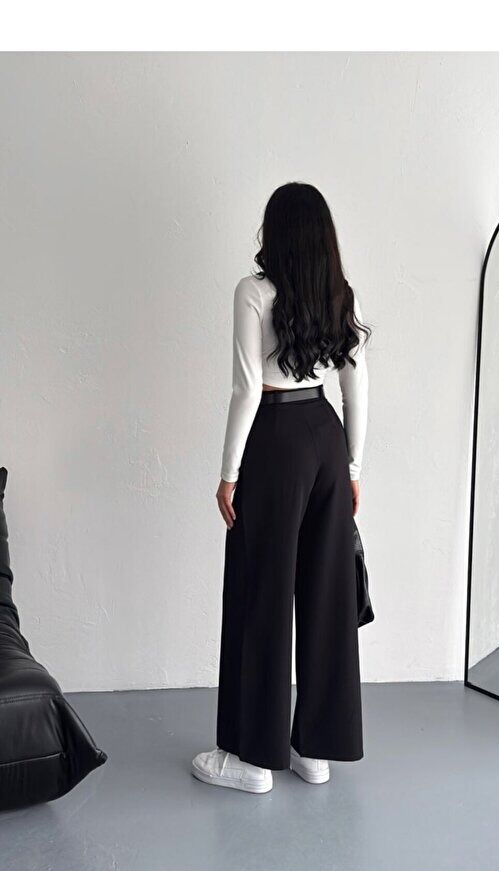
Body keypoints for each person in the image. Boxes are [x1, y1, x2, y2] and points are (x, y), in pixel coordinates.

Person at [192, 182, 370, 793]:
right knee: (325, 594)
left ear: (275, 232)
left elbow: (246, 389)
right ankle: (313, 749)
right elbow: (356, 385)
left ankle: (252, 757)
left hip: (274, 439)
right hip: (326, 435)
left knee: (260, 591)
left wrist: (228, 474)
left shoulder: (253, 292)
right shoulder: (338, 294)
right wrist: (353, 467)